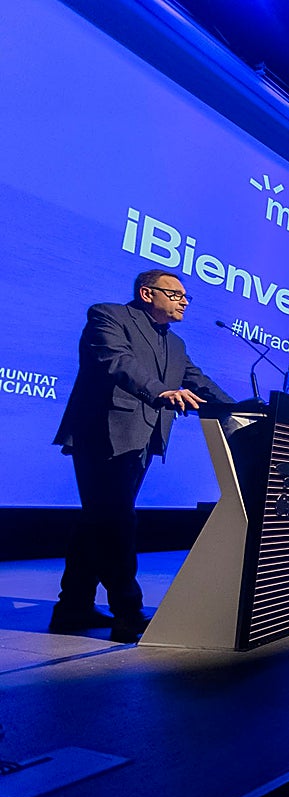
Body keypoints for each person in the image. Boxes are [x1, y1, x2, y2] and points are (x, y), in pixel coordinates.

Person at [50, 268, 234, 643]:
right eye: (177, 294)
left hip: (142, 439)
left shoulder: (176, 343)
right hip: (103, 433)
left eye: (186, 297)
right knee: (118, 522)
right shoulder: (109, 315)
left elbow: (197, 381)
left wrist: (243, 409)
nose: (184, 301)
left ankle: (72, 608)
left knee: (98, 522)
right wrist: (160, 392)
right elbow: (117, 362)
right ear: (148, 294)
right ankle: (129, 613)